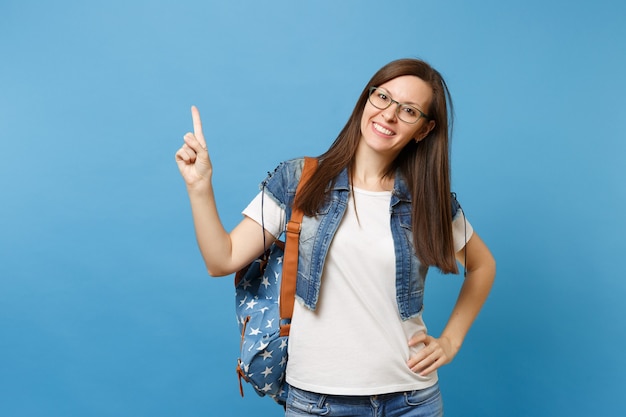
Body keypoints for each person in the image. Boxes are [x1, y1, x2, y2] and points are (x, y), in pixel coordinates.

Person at [175, 58, 496, 417]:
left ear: (423, 129)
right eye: (383, 97)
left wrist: (450, 341)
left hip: (411, 399)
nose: (389, 115)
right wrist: (199, 186)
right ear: (367, 99)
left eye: (409, 110)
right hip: (317, 402)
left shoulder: (428, 200)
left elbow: (483, 266)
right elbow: (222, 259)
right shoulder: (299, 180)